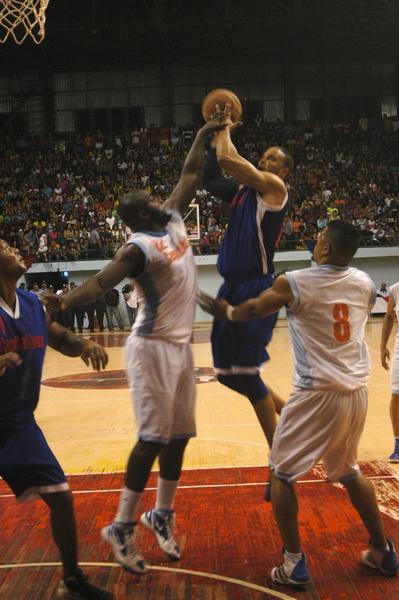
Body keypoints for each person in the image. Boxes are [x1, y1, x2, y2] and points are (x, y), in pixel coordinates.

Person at [43, 116, 225, 575]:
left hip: (182, 348)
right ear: (140, 216)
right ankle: (122, 525)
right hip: (151, 349)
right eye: (149, 201)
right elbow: (101, 283)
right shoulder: (137, 248)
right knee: (151, 439)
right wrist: (62, 301)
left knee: (181, 436)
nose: (159, 200)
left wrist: (203, 136)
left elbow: (187, 176)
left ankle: (160, 512)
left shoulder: (175, 219)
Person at [199, 220, 398, 586]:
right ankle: (383, 550)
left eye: (318, 239)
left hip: (315, 392)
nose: (315, 242)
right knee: (349, 471)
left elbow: (254, 309)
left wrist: (223, 311)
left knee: (281, 473)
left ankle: (293, 562)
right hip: (356, 392)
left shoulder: (295, 281)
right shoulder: (366, 284)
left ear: (324, 249)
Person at [0, 239, 113, 600]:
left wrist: (84, 346)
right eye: (3, 246)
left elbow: (59, 337)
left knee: (61, 496)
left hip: (16, 423)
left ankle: (71, 581)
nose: (14, 248)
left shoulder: (31, 303)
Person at [202, 104, 293, 451]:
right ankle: (290, 414)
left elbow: (229, 162)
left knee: (246, 372)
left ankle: (278, 454)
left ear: (282, 171)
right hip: (232, 286)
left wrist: (224, 126)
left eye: (271, 159)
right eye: (264, 157)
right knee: (226, 374)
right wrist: (214, 137)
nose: (264, 161)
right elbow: (212, 177)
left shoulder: (273, 188)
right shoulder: (243, 193)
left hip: (256, 285)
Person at [380, 280, 399, 462]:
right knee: (396, 395)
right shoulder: (396, 289)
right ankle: (398, 444)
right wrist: (383, 346)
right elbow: (388, 316)